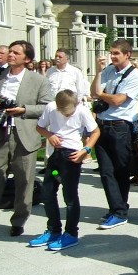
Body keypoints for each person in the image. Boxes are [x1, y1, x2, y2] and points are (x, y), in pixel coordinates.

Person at [0, 41, 52, 237]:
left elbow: (46, 107)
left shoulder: (38, 80)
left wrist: (24, 109)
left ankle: (19, 220)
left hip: (24, 136)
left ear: (26, 59)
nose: (10, 55)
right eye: (10, 52)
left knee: (24, 181)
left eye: (15, 53)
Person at [30, 90, 100, 251]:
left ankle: (71, 234)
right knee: (47, 192)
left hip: (72, 157)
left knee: (70, 196)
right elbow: (39, 127)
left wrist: (86, 150)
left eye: (69, 112)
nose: (67, 115)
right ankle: (53, 230)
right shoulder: (51, 108)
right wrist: (49, 135)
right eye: (64, 112)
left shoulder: (82, 110)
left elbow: (96, 131)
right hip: (56, 155)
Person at [90, 39, 138, 230]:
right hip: (102, 125)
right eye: (111, 53)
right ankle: (116, 207)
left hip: (121, 127)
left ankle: (120, 211)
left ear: (127, 54)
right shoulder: (108, 71)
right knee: (106, 171)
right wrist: (98, 71)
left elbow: (117, 100)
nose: (112, 56)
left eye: (116, 53)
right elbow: (93, 91)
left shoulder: (135, 76)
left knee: (121, 170)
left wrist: (100, 94)